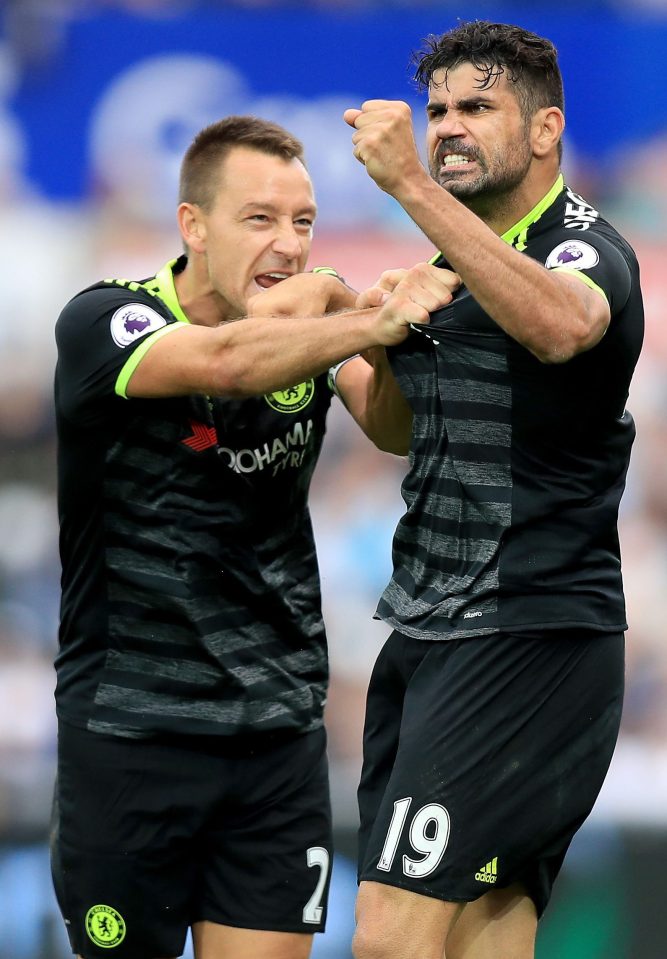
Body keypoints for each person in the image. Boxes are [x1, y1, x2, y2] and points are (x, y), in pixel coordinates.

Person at [51, 114, 461, 959]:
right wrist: (366, 321)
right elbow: (226, 362)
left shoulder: (317, 326)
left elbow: (389, 429)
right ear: (192, 226)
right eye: (259, 219)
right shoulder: (104, 321)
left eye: (303, 222)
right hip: (131, 732)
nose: (287, 244)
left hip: (276, 732)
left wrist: (372, 332)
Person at [342, 20, 644, 959]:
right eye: (436, 111)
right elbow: (397, 429)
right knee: (484, 935)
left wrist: (408, 188)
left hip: (526, 633)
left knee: (391, 937)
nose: (447, 128)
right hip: (434, 627)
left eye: (477, 106)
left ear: (545, 128)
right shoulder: (450, 268)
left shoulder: (580, 247)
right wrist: (348, 332)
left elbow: (560, 326)